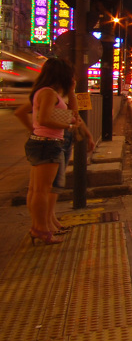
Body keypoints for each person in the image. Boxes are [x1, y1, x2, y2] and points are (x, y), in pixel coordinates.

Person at [13, 58, 89, 244]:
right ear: (61, 75)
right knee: (41, 190)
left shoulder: (47, 92)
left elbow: (73, 113)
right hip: (48, 144)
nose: (72, 78)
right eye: (70, 75)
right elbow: (45, 119)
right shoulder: (48, 94)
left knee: (36, 189)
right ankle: (40, 229)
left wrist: (71, 92)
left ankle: (41, 226)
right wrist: (67, 126)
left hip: (43, 142)